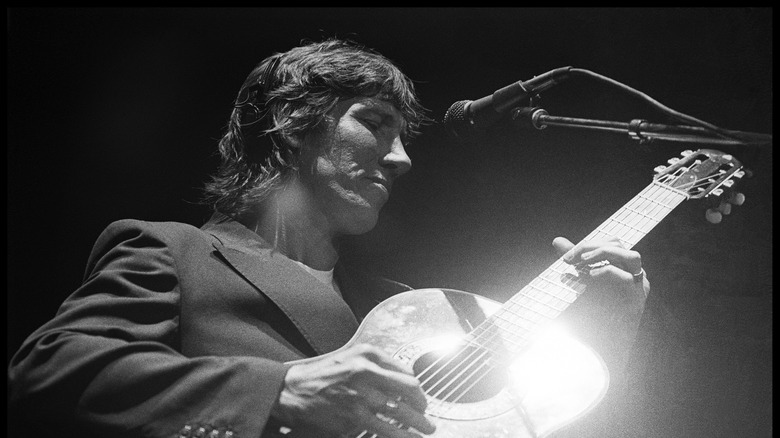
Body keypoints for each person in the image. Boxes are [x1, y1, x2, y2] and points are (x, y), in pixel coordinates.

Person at [8, 38, 650, 438]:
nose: (400, 158)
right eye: (374, 123)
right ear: (293, 126)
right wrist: (277, 392)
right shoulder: (176, 252)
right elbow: (46, 373)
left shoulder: (408, 307)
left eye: (402, 135)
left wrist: (612, 319)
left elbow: (530, 418)